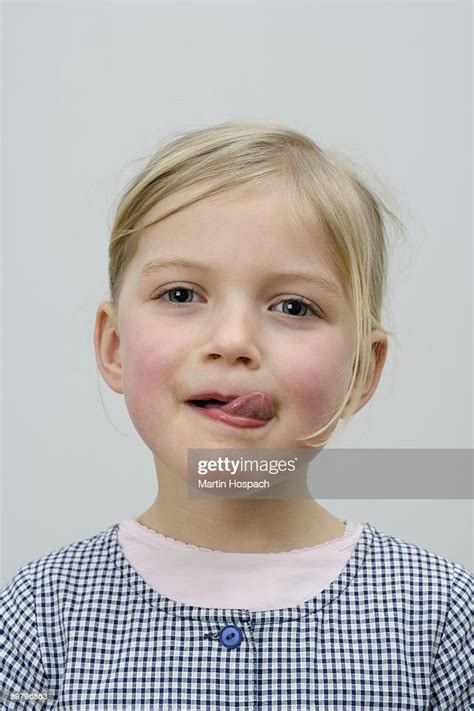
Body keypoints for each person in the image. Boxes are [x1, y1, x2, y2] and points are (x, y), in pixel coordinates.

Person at [1, 120, 471, 709]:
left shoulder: (441, 618)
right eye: (181, 295)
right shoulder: (42, 614)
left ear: (360, 371)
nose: (233, 340)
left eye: (294, 306)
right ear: (115, 346)